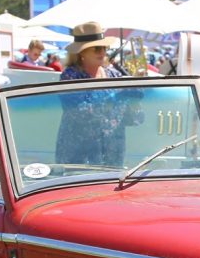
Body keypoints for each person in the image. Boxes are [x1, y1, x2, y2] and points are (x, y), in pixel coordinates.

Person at [56, 21, 141, 167]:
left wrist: (135, 102)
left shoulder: (114, 75)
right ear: (81, 52)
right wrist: (114, 98)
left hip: (112, 153)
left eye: (104, 48)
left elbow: (132, 120)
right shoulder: (70, 76)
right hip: (79, 154)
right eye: (96, 49)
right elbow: (80, 113)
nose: (102, 52)